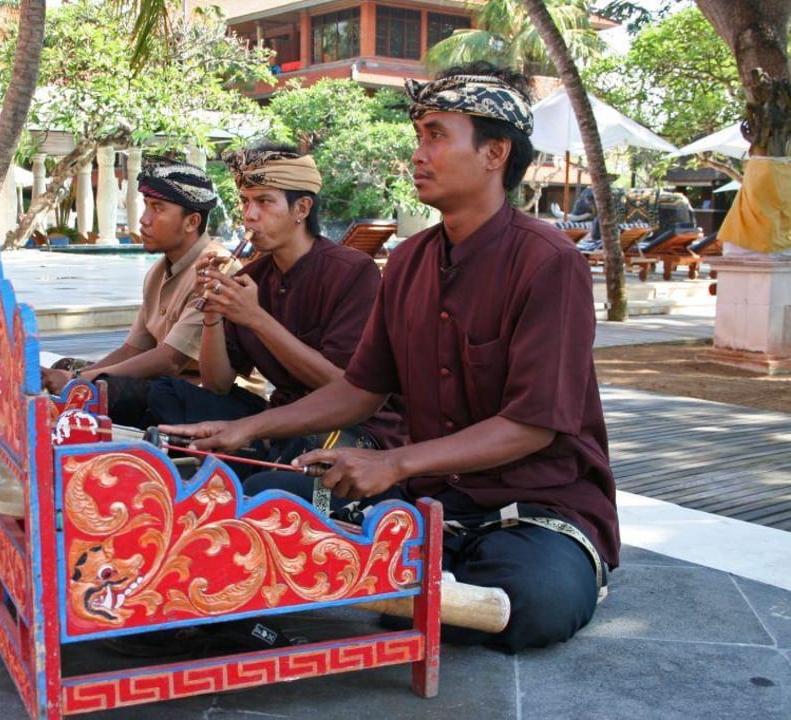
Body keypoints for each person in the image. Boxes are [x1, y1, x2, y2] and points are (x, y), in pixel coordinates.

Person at [161, 62, 620, 653]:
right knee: (263, 508)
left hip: (532, 506)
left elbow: (531, 424)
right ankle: (407, 580)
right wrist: (243, 426)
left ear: (495, 153)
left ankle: (405, 580)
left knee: (532, 603)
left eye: (436, 134)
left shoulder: (549, 262)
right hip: (427, 499)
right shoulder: (406, 263)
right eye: (418, 136)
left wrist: (395, 463)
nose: (418, 153)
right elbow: (361, 389)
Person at [147, 144, 405, 496]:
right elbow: (218, 384)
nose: (249, 215)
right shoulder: (255, 275)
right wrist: (212, 313)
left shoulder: (351, 272)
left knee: (266, 487)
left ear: (301, 208)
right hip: (278, 418)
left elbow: (345, 387)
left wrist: (256, 318)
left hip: (355, 426)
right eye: (244, 201)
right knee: (164, 392)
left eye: (264, 202)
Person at [41, 161, 229, 426]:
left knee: (104, 390)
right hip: (167, 385)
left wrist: (79, 382)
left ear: (192, 222)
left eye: (157, 208)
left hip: (203, 398)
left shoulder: (217, 268)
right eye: (146, 205)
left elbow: (170, 361)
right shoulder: (157, 273)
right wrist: (78, 375)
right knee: (64, 366)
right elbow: (132, 349)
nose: (143, 219)